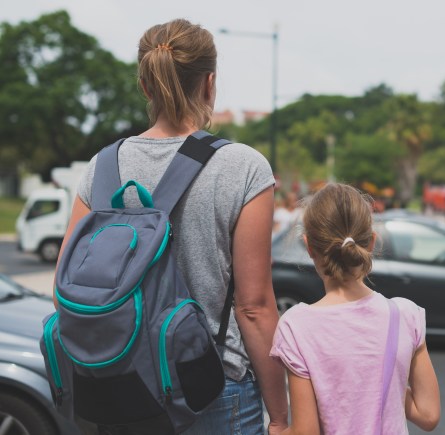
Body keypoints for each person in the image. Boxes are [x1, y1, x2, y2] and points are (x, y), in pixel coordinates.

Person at [55, 18, 288, 434]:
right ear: (209, 83)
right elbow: (253, 307)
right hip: (212, 390)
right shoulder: (243, 167)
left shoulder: (101, 167)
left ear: (145, 86)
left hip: (122, 391)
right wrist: (282, 415)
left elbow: (65, 287)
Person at [270, 183, 441, 434]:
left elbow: (305, 432)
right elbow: (429, 415)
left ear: (309, 247)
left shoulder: (297, 326)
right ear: (371, 242)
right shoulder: (404, 315)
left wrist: (277, 430)